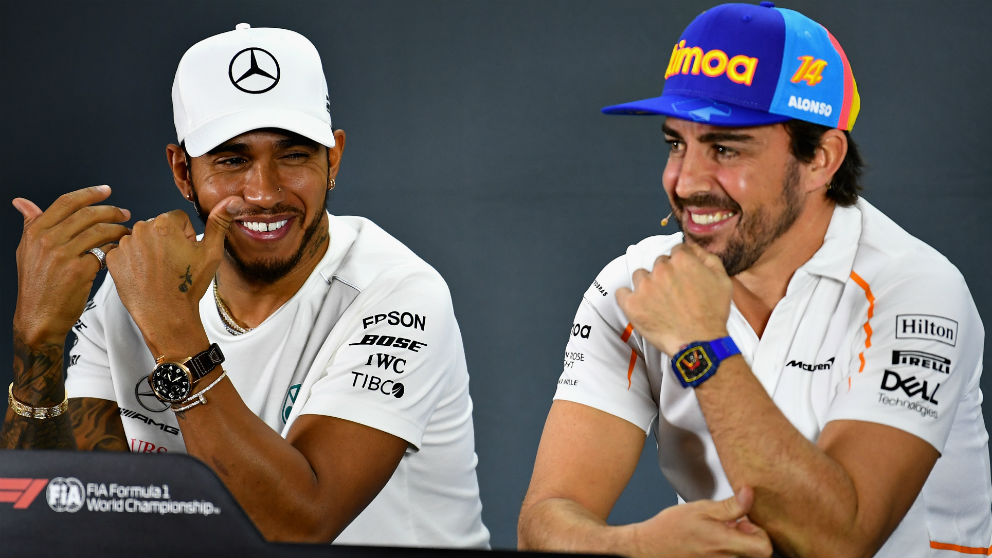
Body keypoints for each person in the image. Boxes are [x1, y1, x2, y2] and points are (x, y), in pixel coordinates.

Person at [518, 2, 991, 557]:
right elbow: (544, 522)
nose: (686, 181)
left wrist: (700, 343)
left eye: (725, 147)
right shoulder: (636, 284)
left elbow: (836, 542)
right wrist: (634, 547)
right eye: (676, 143)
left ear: (821, 158)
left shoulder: (915, 289)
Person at [2, 23, 490, 548]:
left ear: (335, 159)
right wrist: (38, 338)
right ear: (183, 172)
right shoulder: (132, 290)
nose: (262, 193)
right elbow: (63, 516)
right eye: (232, 160)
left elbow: (298, 526)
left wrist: (174, 330)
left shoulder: (398, 291)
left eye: (295, 154)